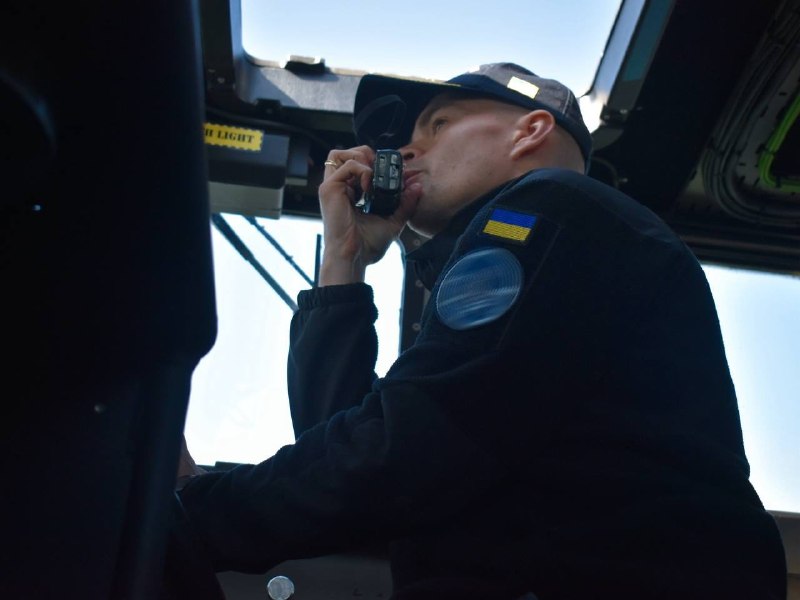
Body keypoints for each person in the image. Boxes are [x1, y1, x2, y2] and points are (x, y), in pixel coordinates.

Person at [174, 63, 786, 599]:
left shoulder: (550, 208)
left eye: (437, 125)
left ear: (530, 130)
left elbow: (400, 452)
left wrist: (186, 515)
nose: (406, 151)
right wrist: (345, 259)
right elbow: (352, 462)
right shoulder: (528, 248)